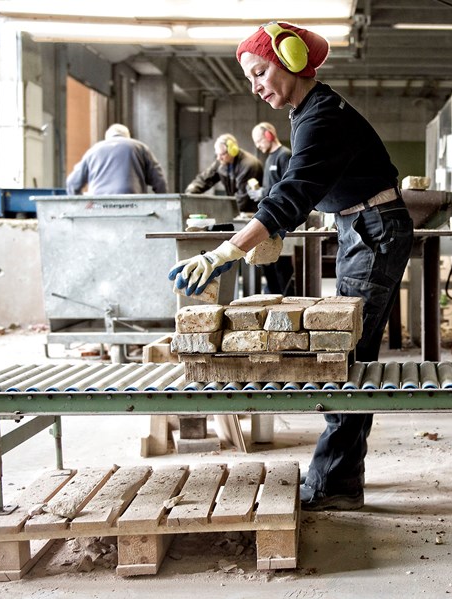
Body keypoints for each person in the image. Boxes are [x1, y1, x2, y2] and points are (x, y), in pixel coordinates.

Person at [168, 21, 413, 511]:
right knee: (349, 353)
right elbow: (303, 191)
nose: (257, 86)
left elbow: (292, 192)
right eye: (251, 79)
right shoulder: (310, 113)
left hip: (374, 229)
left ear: (292, 61)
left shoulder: (321, 116)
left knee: (344, 354)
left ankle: (336, 484)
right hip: (361, 226)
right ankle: (343, 476)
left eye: (261, 72)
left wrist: (228, 251)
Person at [251, 121, 295, 295]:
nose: (258, 145)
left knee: (282, 269)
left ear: (269, 135)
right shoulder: (269, 158)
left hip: (281, 220)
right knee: (270, 267)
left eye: (259, 140)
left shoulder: (284, 156)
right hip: (271, 219)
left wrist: (264, 192)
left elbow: (287, 187)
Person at [65, 124, 167, 195]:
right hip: (133, 203)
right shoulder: (140, 147)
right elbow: (159, 180)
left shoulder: (93, 150)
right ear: (128, 136)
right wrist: (162, 202)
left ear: (107, 137)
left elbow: (72, 183)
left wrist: (78, 203)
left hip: (99, 204)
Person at [184, 133, 265, 216]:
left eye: (222, 154)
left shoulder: (249, 165)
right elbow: (205, 179)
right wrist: (190, 193)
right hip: (238, 211)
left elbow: (242, 199)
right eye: (217, 154)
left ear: (233, 151)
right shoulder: (222, 162)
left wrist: (221, 212)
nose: (218, 158)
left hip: (252, 213)